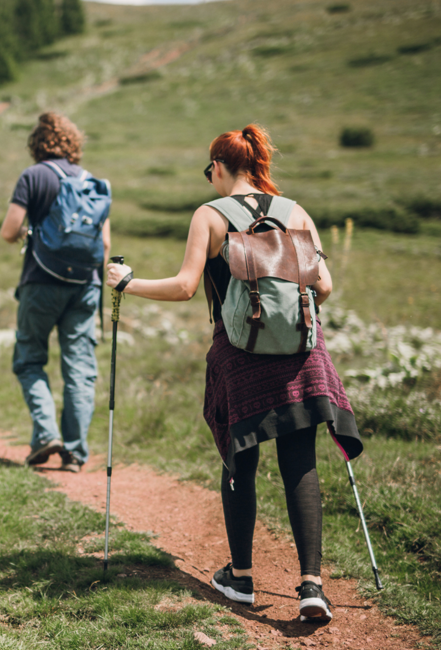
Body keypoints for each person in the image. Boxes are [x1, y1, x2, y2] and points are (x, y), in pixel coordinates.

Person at [105, 124, 362, 623]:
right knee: (300, 462)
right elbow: (325, 286)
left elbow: (184, 287)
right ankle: (311, 586)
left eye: (210, 172)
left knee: (240, 457)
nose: (210, 180)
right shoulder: (294, 212)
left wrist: (129, 282)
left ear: (220, 167)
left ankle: (240, 578)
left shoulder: (210, 215)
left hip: (241, 357)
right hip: (300, 357)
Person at [0, 111, 111, 473]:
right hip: (85, 286)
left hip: (41, 281)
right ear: (73, 144)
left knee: (30, 358)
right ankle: (76, 452)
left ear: (37, 144)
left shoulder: (33, 176)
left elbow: (9, 229)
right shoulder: (93, 182)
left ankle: (46, 433)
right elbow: (105, 243)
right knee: (79, 367)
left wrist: (27, 234)